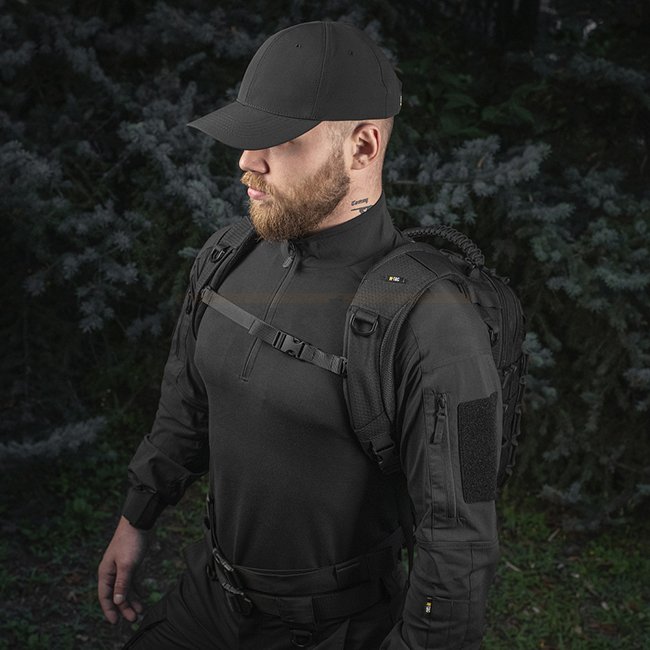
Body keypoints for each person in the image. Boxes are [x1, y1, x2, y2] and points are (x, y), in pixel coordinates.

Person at [98, 20, 502, 649]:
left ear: (363, 146)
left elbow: (461, 549)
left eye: (279, 140)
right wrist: (136, 516)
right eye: (247, 138)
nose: (246, 162)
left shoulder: (436, 323)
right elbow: (187, 402)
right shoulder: (225, 257)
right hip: (209, 601)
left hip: (333, 629)